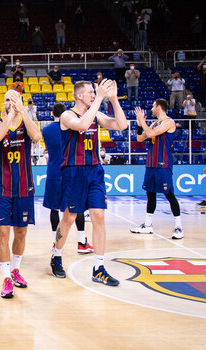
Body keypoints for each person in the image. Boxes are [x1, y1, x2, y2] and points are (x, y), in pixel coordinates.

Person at [49, 79, 127, 286]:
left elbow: (122, 125)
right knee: (69, 217)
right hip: (74, 171)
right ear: (79, 96)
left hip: (95, 169)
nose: (94, 94)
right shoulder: (67, 115)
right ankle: (56, 256)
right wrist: (100, 98)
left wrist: (113, 99)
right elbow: (82, 125)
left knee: (99, 216)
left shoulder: (97, 115)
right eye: (91, 92)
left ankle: (99, 268)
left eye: (95, 92)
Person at [0, 89, 41, 298]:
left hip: (24, 186)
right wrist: (10, 114)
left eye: (14, 99)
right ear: (3, 104)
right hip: (1, 187)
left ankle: (15, 270)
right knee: (3, 233)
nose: (11, 102)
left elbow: (36, 136)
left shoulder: (26, 123)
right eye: (7, 100)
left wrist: (23, 112)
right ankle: (6, 277)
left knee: (21, 232)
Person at [42, 102, 94, 254]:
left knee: (54, 209)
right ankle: (81, 242)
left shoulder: (46, 129)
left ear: (52, 113)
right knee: (76, 208)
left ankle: (55, 242)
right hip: (70, 171)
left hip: (53, 172)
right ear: (66, 114)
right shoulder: (72, 125)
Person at [130, 99, 183, 239]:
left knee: (169, 194)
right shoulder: (154, 123)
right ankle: (148, 225)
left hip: (163, 163)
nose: (151, 108)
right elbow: (140, 138)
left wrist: (144, 122)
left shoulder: (169, 122)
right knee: (150, 194)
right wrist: (140, 125)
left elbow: (152, 134)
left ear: (159, 107)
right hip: (151, 163)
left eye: (153, 106)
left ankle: (179, 227)